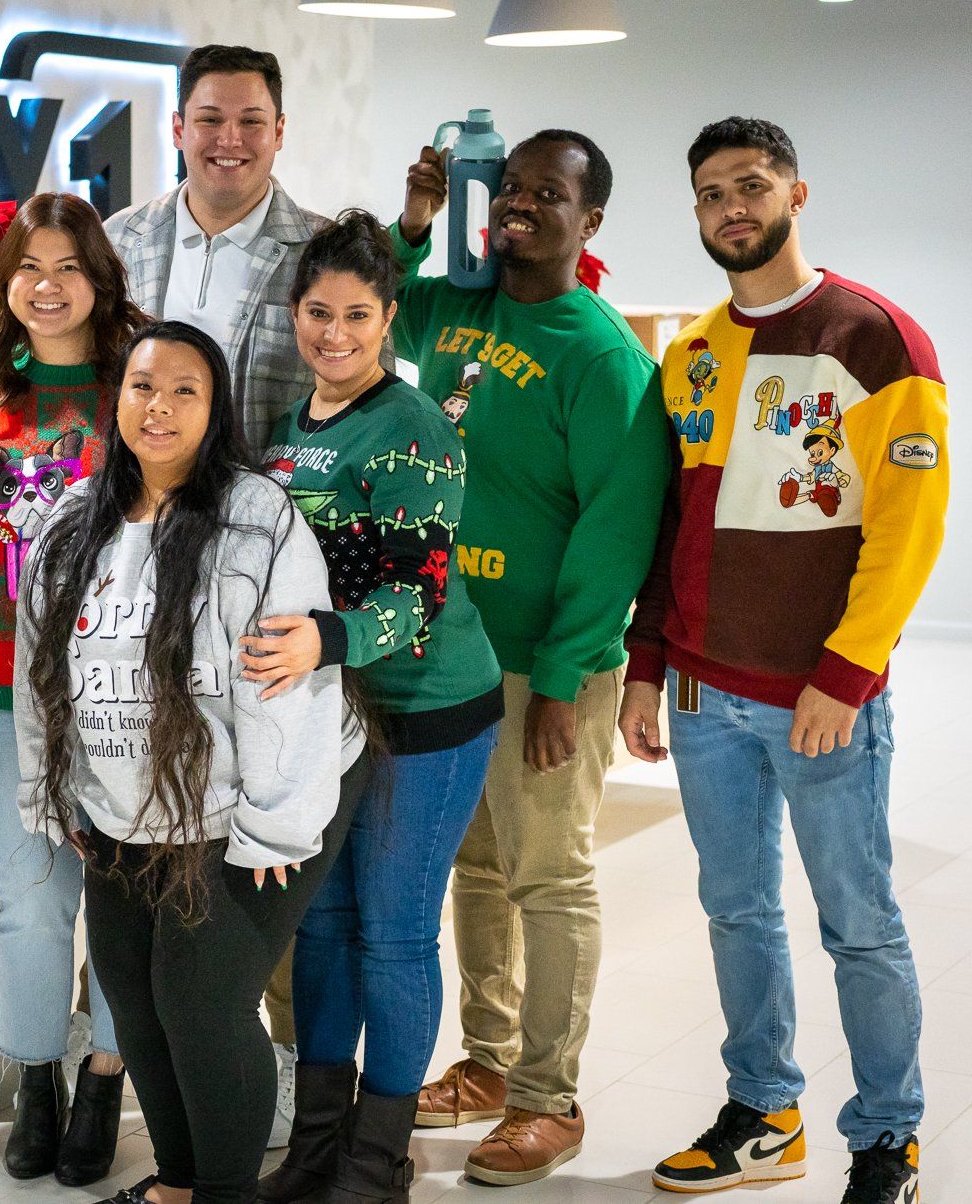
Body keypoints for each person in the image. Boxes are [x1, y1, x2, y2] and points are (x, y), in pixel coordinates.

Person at [621, 118, 944, 1204]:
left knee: (859, 925)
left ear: (795, 195)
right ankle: (763, 1112)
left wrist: (844, 674)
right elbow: (675, 522)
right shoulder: (693, 353)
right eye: (712, 192)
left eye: (751, 185)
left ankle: (888, 1138)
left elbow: (909, 528)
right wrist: (646, 661)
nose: (732, 208)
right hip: (701, 692)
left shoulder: (875, 338)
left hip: (818, 702)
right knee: (736, 912)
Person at [17, 320, 369, 1204]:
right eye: (143, 386)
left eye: (186, 390)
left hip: (251, 792)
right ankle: (178, 1185)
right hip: (125, 803)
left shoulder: (256, 518)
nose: (160, 406)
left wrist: (276, 821)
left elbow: (284, 679)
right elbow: (39, 674)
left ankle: (223, 1193)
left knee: (200, 999)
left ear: (216, 410)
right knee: (132, 999)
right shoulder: (71, 522)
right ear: (117, 400)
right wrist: (52, 787)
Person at [392, 132, 670, 1185]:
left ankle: (549, 1098)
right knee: (473, 864)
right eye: (508, 186)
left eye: (546, 194)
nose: (517, 205)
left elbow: (616, 530)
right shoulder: (458, 306)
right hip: (451, 652)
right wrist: (415, 220)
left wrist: (562, 677)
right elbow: (365, 303)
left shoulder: (600, 355)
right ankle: (488, 1061)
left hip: (544, 663)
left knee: (548, 875)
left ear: (587, 220)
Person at [240, 211, 506, 1204]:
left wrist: (325, 638)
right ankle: (317, 1146)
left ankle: (377, 1158)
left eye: (358, 314)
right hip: (329, 716)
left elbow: (416, 593)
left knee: (391, 934)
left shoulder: (414, 426)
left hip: (427, 714)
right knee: (321, 927)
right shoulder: (285, 429)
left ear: (389, 318)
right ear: (295, 313)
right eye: (319, 311)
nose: (336, 332)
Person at [0, 192, 149, 1187]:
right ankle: (35, 1081)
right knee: (27, 894)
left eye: (69, 266)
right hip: (4, 683)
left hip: (124, 688)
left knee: (121, 896)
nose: (48, 286)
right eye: (29, 266)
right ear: (5, 281)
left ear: (98, 279)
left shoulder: (138, 385)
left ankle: (103, 1072)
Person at [104, 44, 328, 459]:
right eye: (209, 119)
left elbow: (368, 396)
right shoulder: (117, 240)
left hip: (278, 495)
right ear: (178, 130)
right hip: (136, 492)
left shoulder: (325, 252)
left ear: (279, 132)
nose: (229, 139)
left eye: (251, 121)